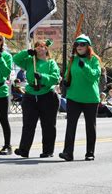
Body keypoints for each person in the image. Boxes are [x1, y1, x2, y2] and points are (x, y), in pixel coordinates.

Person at [12, 40, 60, 158]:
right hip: (31, 95)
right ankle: (24, 149)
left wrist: (42, 77)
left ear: (47, 49)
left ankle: (48, 151)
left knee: (48, 125)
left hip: (47, 95)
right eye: (37, 46)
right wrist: (26, 53)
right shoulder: (30, 61)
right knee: (28, 124)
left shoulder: (51, 63)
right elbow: (16, 59)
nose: (40, 48)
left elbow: (55, 78)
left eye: (43, 46)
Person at [59, 34, 101, 162]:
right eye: (77, 44)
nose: (79, 46)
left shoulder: (94, 60)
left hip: (90, 98)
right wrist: (65, 81)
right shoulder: (73, 60)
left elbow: (94, 77)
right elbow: (68, 74)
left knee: (90, 126)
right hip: (74, 97)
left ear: (88, 46)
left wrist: (85, 67)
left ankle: (90, 152)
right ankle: (68, 152)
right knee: (70, 126)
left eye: (82, 44)